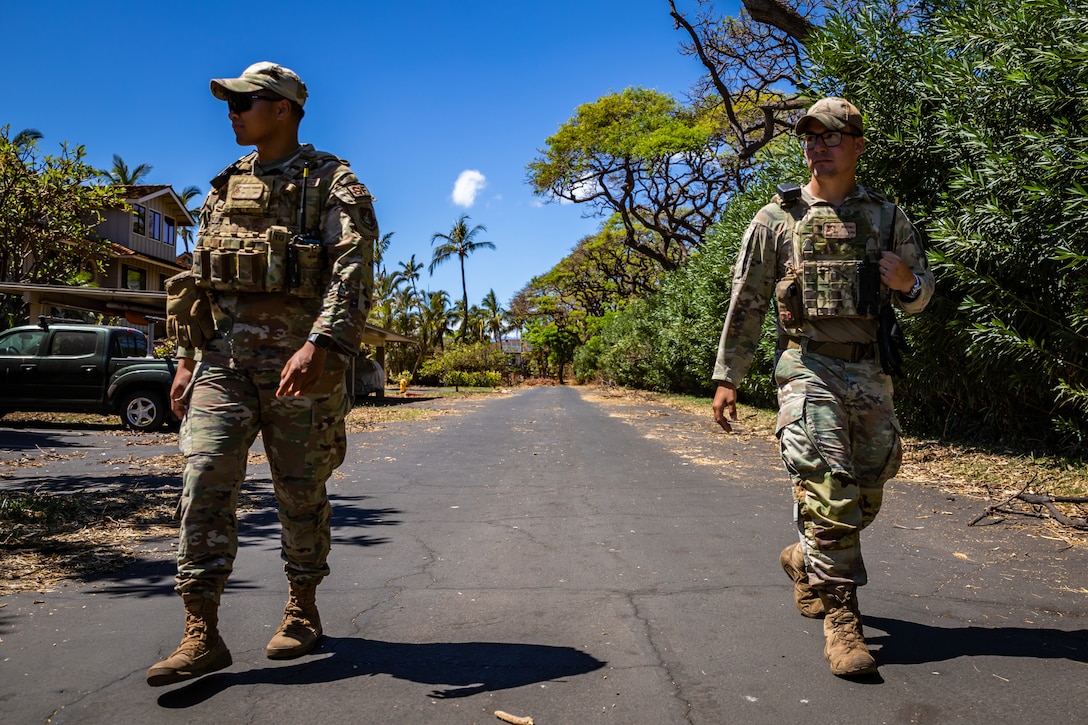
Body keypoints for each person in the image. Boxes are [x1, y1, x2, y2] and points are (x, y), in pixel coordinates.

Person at [147, 61, 377, 686]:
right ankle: (202, 632)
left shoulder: (332, 181)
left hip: (300, 369)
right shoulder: (222, 187)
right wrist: (186, 359)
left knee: (299, 493)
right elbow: (197, 283)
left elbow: (352, 270)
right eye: (231, 102)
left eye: (246, 102)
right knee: (203, 481)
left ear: (284, 109)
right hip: (221, 366)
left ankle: (302, 610)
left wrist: (321, 344)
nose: (233, 111)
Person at [710, 97, 933, 677]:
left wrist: (908, 283)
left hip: (868, 369)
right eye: (810, 136)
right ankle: (843, 622)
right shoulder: (774, 218)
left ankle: (805, 559)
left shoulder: (886, 216)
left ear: (856, 144)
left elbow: (923, 294)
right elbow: (748, 300)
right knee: (828, 487)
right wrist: (727, 376)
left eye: (831, 135)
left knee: (870, 487)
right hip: (805, 367)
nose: (819, 144)